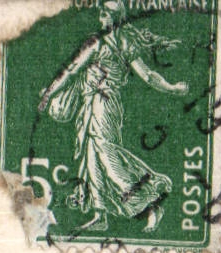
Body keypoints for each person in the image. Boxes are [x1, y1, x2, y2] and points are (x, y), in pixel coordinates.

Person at [38, 0, 188, 233]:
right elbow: (71, 69)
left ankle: (151, 200)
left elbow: (147, 75)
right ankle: (100, 215)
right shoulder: (110, 41)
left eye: (106, 12)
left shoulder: (109, 42)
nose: (101, 16)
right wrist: (49, 92)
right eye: (102, 12)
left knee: (107, 155)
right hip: (93, 104)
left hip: (103, 104)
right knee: (92, 159)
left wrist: (172, 88)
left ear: (116, 16)